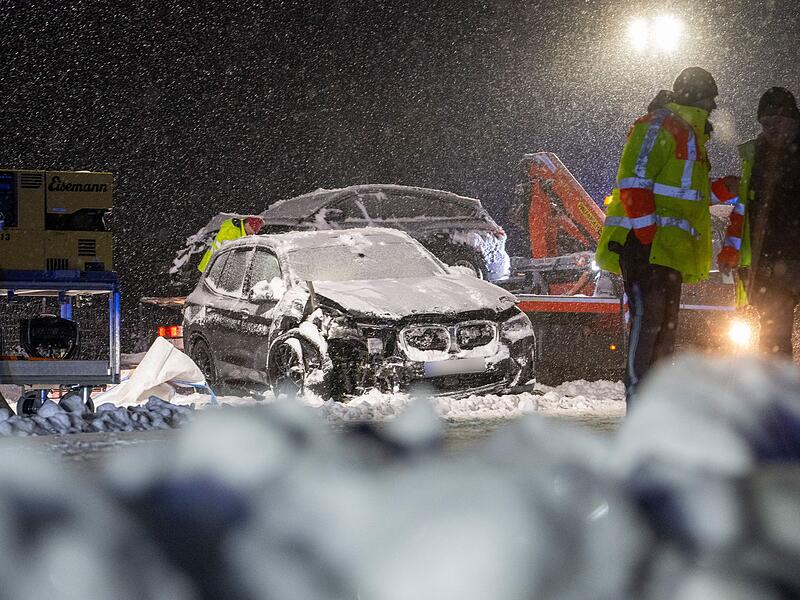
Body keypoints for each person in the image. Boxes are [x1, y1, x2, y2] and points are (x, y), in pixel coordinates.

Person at [595, 67, 738, 403]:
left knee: (662, 334)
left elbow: (688, 195)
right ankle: (639, 409)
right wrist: (648, 238)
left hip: (667, 251)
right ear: (699, 98)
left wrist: (723, 188)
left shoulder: (690, 135)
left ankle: (654, 409)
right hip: (647, 247)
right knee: (649, 329)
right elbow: (633, 183)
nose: (713, 107)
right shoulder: (661, 125)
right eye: (710, 100)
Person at [717, 87, 800, 357]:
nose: (771, 129)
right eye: (765, 123)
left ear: (792, 118)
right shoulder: (755, 155)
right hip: (769, 262)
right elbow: (744, 209)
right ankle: (775, 383)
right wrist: (732, 250)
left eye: (777, 121)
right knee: (773, 339)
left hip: (787, 258)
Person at [197, 216, 264, 273]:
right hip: (210, 268)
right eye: (254, 229)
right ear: (247, 224)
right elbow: (229, 254)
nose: (254, 233)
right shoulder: (232, 231)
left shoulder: (240, 231)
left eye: (256, 230)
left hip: (214, 267)